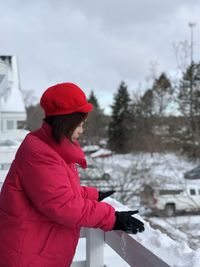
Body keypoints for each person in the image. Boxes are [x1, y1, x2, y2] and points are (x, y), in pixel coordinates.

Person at [0, 82, 145, 267]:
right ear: (66, 122)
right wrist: (113, 218)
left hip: (34, 248)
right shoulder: (41, 154)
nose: (81, 130)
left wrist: (92, 195)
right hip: (28, 255)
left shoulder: (47, 146)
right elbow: (63, 205)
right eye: (80, 124)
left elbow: (54, 191)